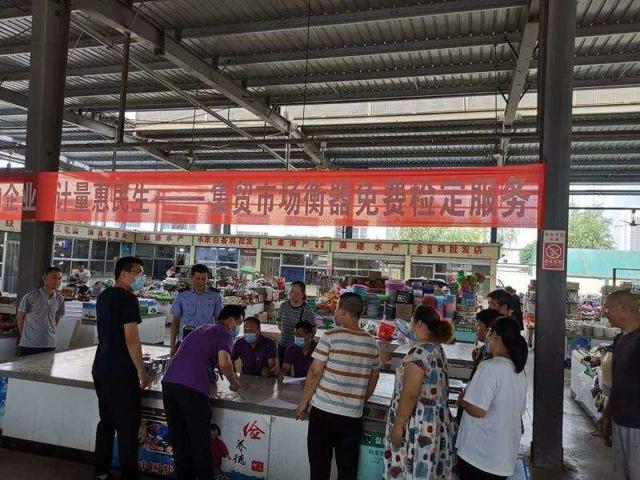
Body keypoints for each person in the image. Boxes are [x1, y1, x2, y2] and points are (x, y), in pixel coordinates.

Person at [295, 292, 380, 480]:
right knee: (347, 472)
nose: (334, 312)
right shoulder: (371, 342)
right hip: (352, 418)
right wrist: (360, 399)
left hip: (324, 413)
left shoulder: (330, 336)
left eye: (336, 308)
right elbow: (375, 376)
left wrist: (303, 403)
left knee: (319, 469)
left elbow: (315, 371)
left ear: (343, 312)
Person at [162, 305, 243, 480]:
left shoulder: (202, 328)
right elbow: (224, 362)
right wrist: (234, 383)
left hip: (169, 385)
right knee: (201, 444)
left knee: (180, 442)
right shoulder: (225, 333)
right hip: (192, 390)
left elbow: (195, 354)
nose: (237, 328)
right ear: (231, 320)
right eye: (239, 323)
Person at [92, 257, 149, 480]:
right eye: (138, 272)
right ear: (123, 274)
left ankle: (101, 471)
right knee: (127, 427)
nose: (141, 277)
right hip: (121, 370)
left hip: (101, 366)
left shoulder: (104, 296)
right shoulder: (128, 299)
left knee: (106, 421)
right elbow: (131, 339)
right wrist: (141, 371)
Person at [384, 306, 456, 479]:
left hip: (417, 424)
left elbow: (410, 393)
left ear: (419, 324)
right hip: (434, 423)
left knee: (412, 469)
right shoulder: (436, 349)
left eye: (412, 322)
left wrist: (398, 425)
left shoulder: (419, 353)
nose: (410, 326)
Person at [456, 316, 528, 480]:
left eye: (489, 332)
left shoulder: (490, 366)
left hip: (480, 455)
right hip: (503, 458)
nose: (486, 338)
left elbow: (478, 410)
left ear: (495, 335)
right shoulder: (518, 370)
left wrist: (462, 401)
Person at [597, 290, 640, 480]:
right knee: (628, 472)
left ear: (623, 309)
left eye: (607, 308)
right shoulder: (620, 339)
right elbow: (619, 382)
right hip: (621, 419)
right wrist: (608, 413)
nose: (605, 312)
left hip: (637, 423)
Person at [170, 264, 223, 356]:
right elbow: (175, 322)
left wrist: (218, 344)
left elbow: (219, 321)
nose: (200, 282)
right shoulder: (182, 295)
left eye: (203, 279)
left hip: (206, 340)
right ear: (192, 277)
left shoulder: (215, 296)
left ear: (207, 278)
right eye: (197, 278)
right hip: (184, 340)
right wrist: (172, 347)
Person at [16, 266, 65, 357]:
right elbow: (20, 318)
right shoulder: (30, 297)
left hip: (50, 344)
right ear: (44, 278)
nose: (57, 281)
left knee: (47, 366)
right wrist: (26, 335)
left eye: (59, 278)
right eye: (54, 277)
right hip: (29, 344)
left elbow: (57, 319)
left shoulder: (60, 299)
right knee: (27, 366)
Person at [277, 280, 315, 366]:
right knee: (283, 370)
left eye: (297, 293)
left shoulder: (307, 310)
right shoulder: (283, 306)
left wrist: (303, 342)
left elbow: (313, 330)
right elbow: (279, 322)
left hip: (298, 348)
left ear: (302, 295)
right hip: (283, 345)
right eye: (292, 292)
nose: (293, 295)